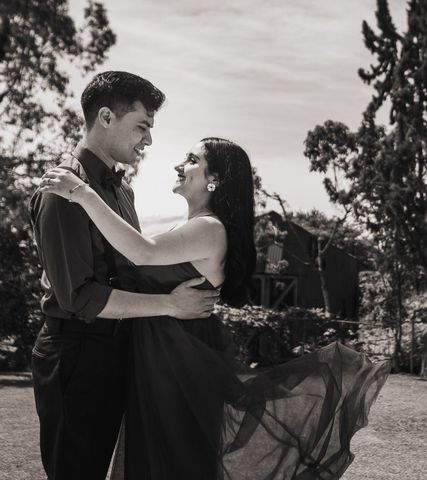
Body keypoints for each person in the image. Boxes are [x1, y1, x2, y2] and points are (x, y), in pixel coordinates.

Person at [40, 137, 391, 479]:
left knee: (177, 461)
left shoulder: (209, 228)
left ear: (215, 179)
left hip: (178, 363)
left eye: (192, 160)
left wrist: (82, 194)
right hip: (165, 357)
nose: (180, 164)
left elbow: (141, 253)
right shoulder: (193, 227)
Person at [30, 71, 220, 480]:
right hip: (76, 355)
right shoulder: (61, 193)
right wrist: (171, 305)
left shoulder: (121, 191)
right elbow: (80, 298)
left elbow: (135, 265)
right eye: (142, 126)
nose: (148, 140)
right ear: (105, 117)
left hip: (117, 350)